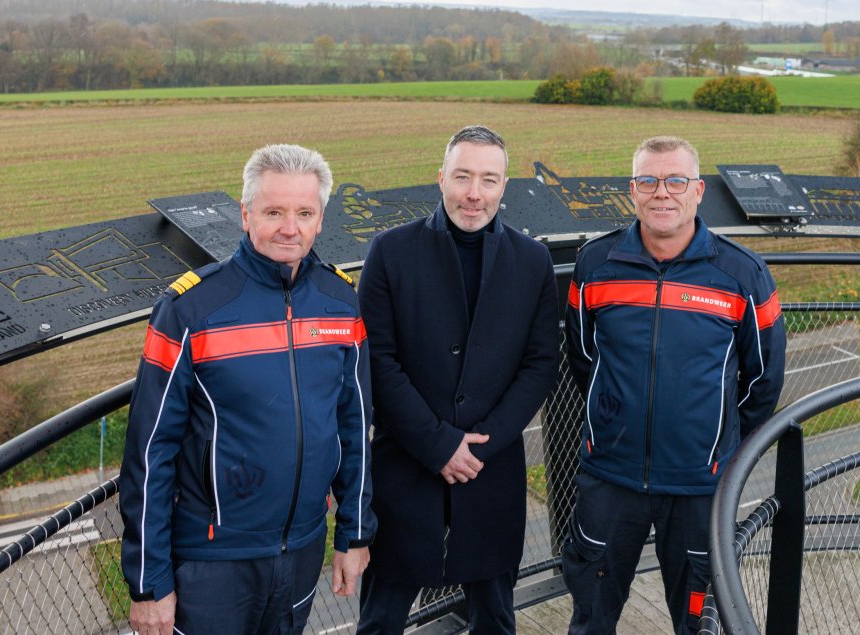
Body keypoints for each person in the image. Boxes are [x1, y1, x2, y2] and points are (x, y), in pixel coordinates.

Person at [120, 143, 376, 635]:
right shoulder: (191, 310)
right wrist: (149, 582)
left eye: (304, 212)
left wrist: (355, 533)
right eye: (274, 211)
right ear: (245, 214)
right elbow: (149, 453)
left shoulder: (341, 302)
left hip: (303, 551)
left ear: (321, 218)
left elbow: (355, 427)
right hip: (212, 561)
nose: (289, 227)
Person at [562, 136, 786, 635]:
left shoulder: (742, 274)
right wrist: (615, 417)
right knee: (590, 615)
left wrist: (717, 446)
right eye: (649, 180)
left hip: (699, 483)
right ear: (633, 190)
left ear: (698, 190)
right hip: (610, 477)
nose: (662, 193)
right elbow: (583, 359)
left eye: (676, 180)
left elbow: (764, 381)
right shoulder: (595, 265)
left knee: (699, 621)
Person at [355, 125, 559, 634]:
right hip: (405, 471)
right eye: (463, 176)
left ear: (504, 186)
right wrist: (438, 444)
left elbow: (540, 365)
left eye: (488, 180)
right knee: (381, 620)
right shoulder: (390, 252)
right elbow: (375, 360)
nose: (474, 193)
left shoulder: (533, 261)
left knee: (494, 618)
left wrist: (478, 448)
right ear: (440, 178)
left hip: (491, 476)